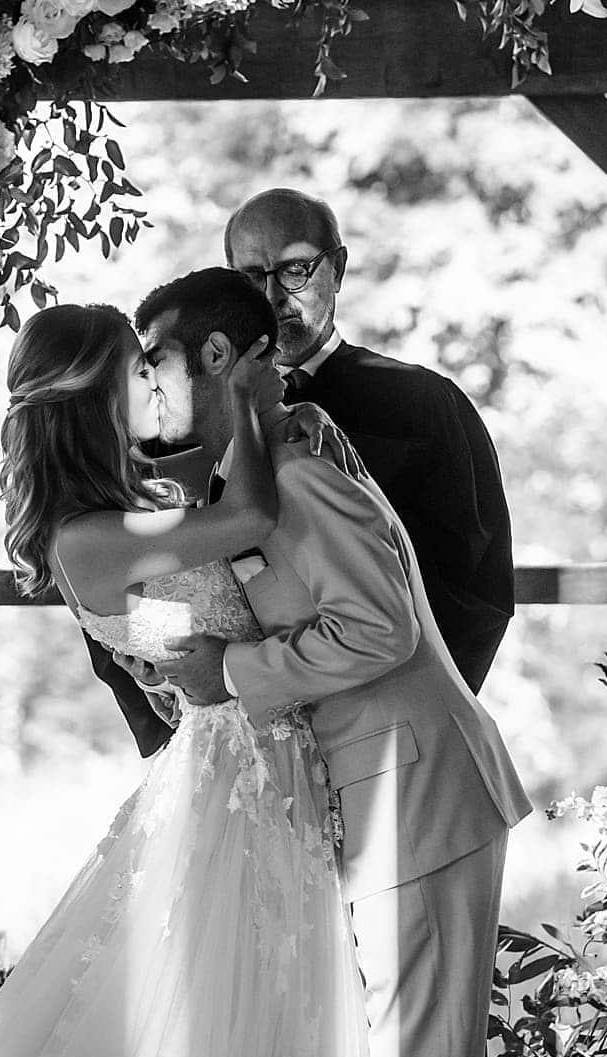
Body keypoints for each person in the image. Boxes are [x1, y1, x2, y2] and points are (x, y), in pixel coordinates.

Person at [0, 302, 373, 1057]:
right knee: (237, 1002)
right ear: (97, 395)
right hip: (237, 767)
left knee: (275, 997)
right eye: (138, 369)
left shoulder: (131, 510)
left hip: (261, 747)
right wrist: (241, 387)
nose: (154, 379)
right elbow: (250, 514)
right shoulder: (87, 538)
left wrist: (291, 418)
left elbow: (166, 631)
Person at [142, 268, 532, 1057]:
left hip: (416, 796)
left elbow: (381, 628)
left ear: (214, 354)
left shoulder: (296, 472)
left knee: (418, 1054)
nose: (141, 382)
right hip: (376, 799)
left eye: (154, 360)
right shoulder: (257, 468)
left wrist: (235, 671)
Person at [225, 187, 515, 695]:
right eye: (251, 277)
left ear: (337, 268)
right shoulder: (211, 412)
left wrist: (412, 706)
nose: (272, 296)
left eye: (295, 271)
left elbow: (478, 582)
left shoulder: (425, 403)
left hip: (394, 705)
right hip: (253, 705)